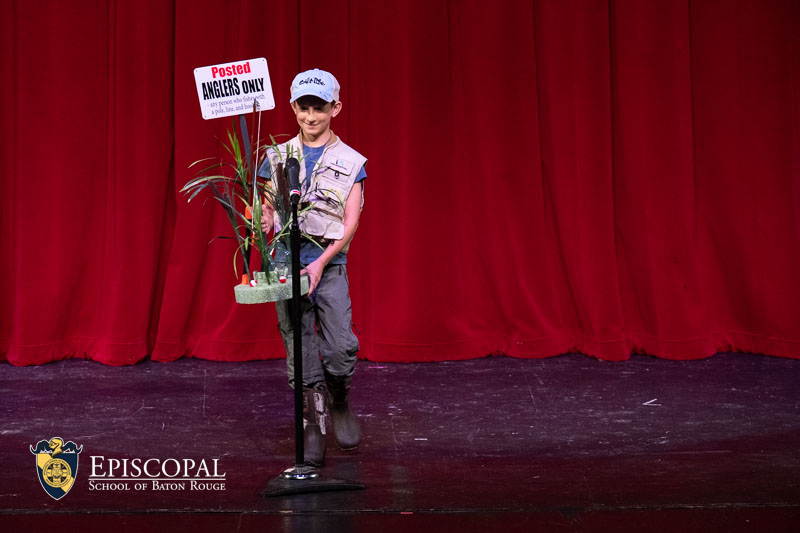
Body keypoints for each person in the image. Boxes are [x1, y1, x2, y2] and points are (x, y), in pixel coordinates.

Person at [259, 68, 367, 466]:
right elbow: (268, 209)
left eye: (319, 108)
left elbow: (351, 221)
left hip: (329, 266)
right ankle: (313, 422)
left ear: (335, 108)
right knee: (299, 350)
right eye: (303, 108)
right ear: (293, 108)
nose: (310, 116)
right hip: (288, 268)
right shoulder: (278, 156)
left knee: (341, 348)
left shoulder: (351, 161)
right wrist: (264, 220)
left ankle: (339, 400)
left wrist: (322, 262)